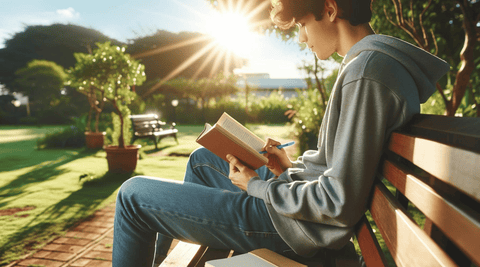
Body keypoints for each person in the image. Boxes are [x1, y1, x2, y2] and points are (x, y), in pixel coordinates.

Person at [112, 0, 450, 266]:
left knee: (132, 195)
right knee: (204, 159)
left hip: (296, 230)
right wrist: (285, 168)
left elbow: (338, 202)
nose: (302, 38)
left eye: (302, 24)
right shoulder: (368, 65)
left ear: (330, 9)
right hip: (297, 213)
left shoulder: (368, 73)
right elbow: (341, 173)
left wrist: (258, 186)